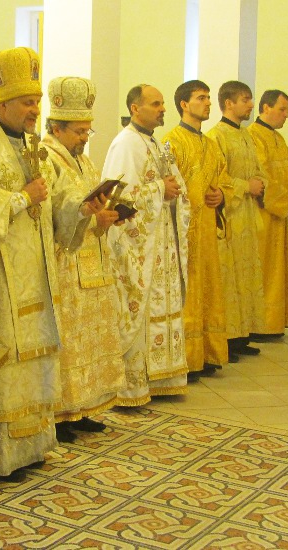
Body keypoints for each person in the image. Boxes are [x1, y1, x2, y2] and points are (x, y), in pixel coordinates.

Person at [0, 47, 106, 483]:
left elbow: (53, 205)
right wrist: (20, 198)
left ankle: (29, 449)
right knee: (4, 364)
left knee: (34, 363)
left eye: (37, 102)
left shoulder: (32, 147)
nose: (35, 110)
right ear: (1, 104)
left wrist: (82, 208)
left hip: (35, 271)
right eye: (26, 103)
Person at [41, 76, 125, 443]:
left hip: (92, 263)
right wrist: (87, 216)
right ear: (56, 127)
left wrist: (104, 218)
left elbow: (92, 205)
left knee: (89, 340)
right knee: (69, 341)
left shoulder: (84, 162)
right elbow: (50, 213)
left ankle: (86, 406)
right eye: (78, 131)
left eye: (88, 131)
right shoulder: (46, 160)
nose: (84, 138)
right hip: (64, 265)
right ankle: (62, 415)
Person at [101, 84, 190, 405]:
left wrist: (172, 190)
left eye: (163, 104)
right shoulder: (125, 144)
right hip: (140, 246)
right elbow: (118, 198)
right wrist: (158, 190)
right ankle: (134, 384)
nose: (162, 109)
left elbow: (174, 187)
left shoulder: (155, 143)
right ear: (135, 108)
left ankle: (164, 376)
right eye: (156, 104)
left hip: (161, 243)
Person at [162, 80, 234, 379]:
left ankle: (208, 352)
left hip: (207, 231)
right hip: (184, 232)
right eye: (201, 98)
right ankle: (188, 358)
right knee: (187, 291)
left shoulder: (211, 144)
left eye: (207, 98)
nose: (207, 103)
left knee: (209, 289)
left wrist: (222, 196)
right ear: (184, 104)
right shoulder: (171, 142)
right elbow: (166, 186)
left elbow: (224, 179)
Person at [206, 81, 267, 353]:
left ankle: (243, 335)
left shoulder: (246, 135)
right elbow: (218, 178)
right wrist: (245, 187)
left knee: (247, 277)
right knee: (229, 279)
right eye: (245, 99)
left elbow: (257, 169)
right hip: (229, 217)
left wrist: (260, 183)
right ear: (228, 103)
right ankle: (227, 339)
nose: (250, 105)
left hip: (248, 216)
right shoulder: (215, 137)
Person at [247, 90, 288, 338]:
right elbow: (261, 175)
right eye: (282, 109)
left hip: (278, 215)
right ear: (266, 108)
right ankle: (261, 323)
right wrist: (284, 203)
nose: (286, 115)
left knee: (278, 270)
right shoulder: (254, 137)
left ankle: (276, 321)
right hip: (263, 215)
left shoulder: (278, 139)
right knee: (265, 270)